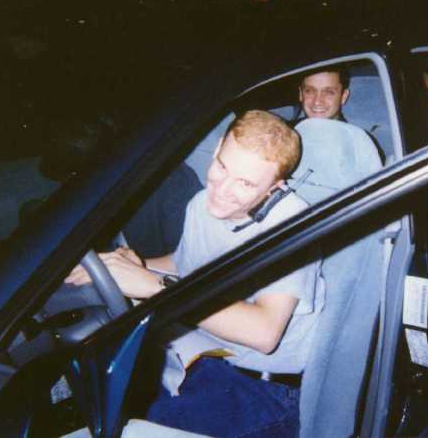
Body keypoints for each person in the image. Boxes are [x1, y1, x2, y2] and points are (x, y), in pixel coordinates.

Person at [67, 110, 323, 438]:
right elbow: (182, 264)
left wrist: (156, 286)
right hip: (203, 355)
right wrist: (137, 266)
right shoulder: (202, 204)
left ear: (275, 187)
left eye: (246, 183)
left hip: (265, 390)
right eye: (223, 167)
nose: (222, 189)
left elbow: (264, 332)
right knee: (90, 401)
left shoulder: (292, 226)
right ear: (217, 149)